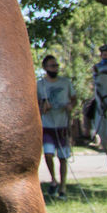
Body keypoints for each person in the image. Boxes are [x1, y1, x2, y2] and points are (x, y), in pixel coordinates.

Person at [37, 54, 76, 199]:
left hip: (62, 125)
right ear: (45, 68)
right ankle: (53, 180)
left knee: (63, 157)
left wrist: (71, 106)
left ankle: (63, 187)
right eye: (52, 66)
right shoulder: (40, 85)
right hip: (47, 125)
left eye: (56, 66)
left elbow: (74, 99)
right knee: (48, 154)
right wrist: (42, 107)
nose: (55, 68)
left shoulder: (65, 82)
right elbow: (34, 104)